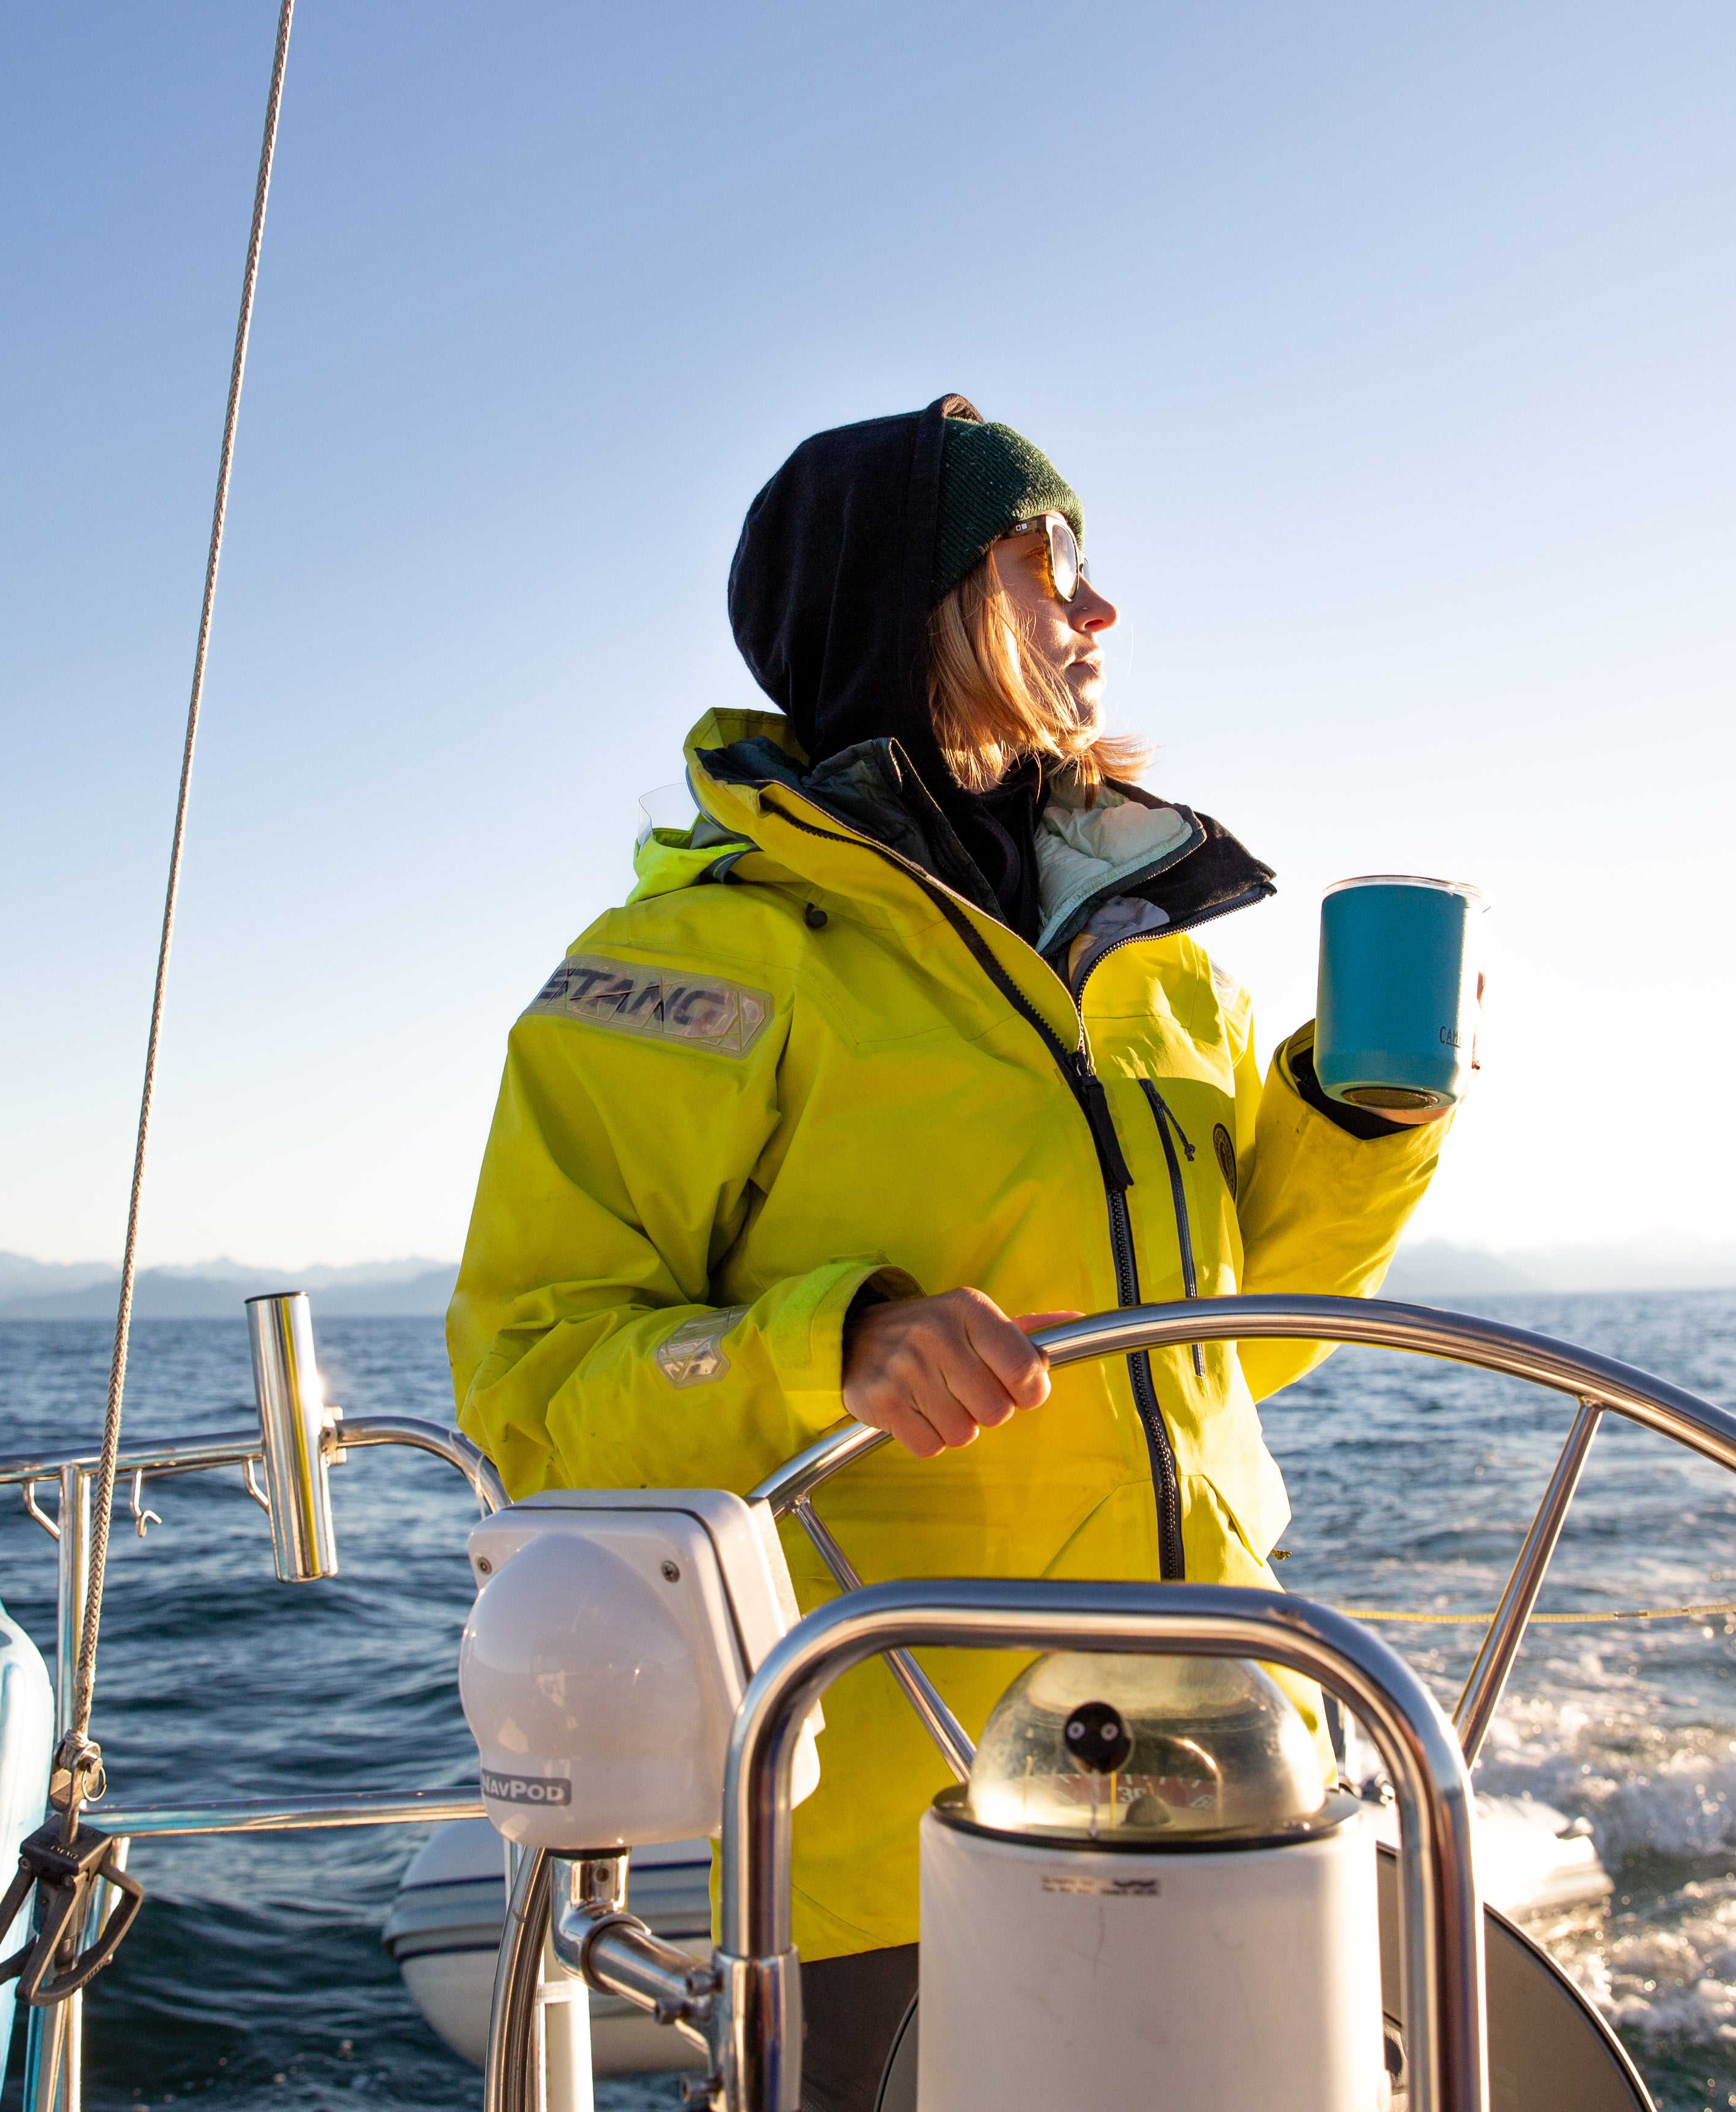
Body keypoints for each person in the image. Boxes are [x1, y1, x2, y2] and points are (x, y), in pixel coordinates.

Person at [445, 393, 1451, 2111]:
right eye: (1049, 563)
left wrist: (1359, 1127)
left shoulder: (1156, 957)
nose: (1100, 611)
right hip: (906, 1812)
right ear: (926, 609)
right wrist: (835, 1351)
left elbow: (1237, 1350)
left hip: (1238, 1756)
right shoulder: (701, 962)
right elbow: (530, 1385)